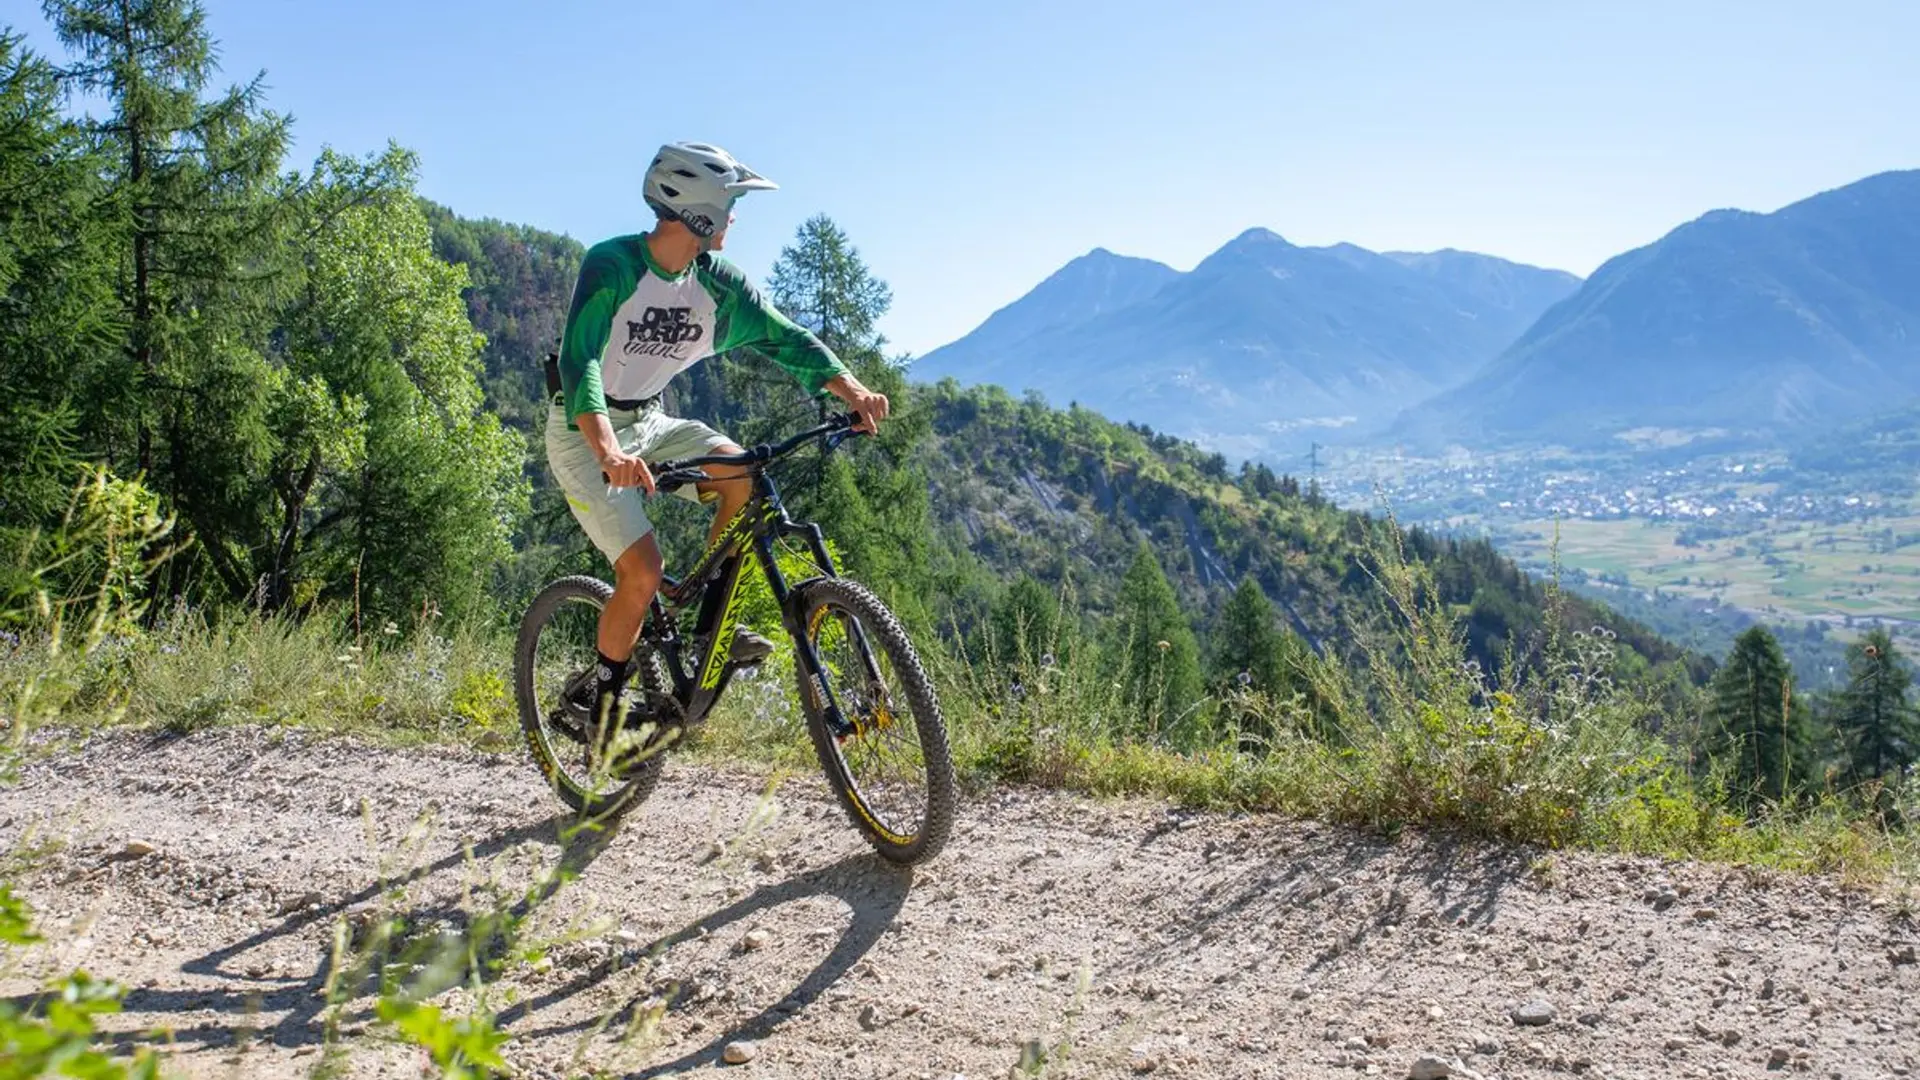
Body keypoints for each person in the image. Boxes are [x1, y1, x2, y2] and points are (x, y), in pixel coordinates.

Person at [547, 141, 890, 749]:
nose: (734, 218)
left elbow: (787, 340)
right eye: (729, 205)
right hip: (584, 434)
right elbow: (581, 364)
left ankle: (709, 636)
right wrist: (607, 452)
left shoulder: (715, 287)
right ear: (699, 211)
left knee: (742, 476)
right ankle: (601, 697)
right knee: (643, 571)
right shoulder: (614, 267)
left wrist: (852, 390)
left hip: (650, 424)